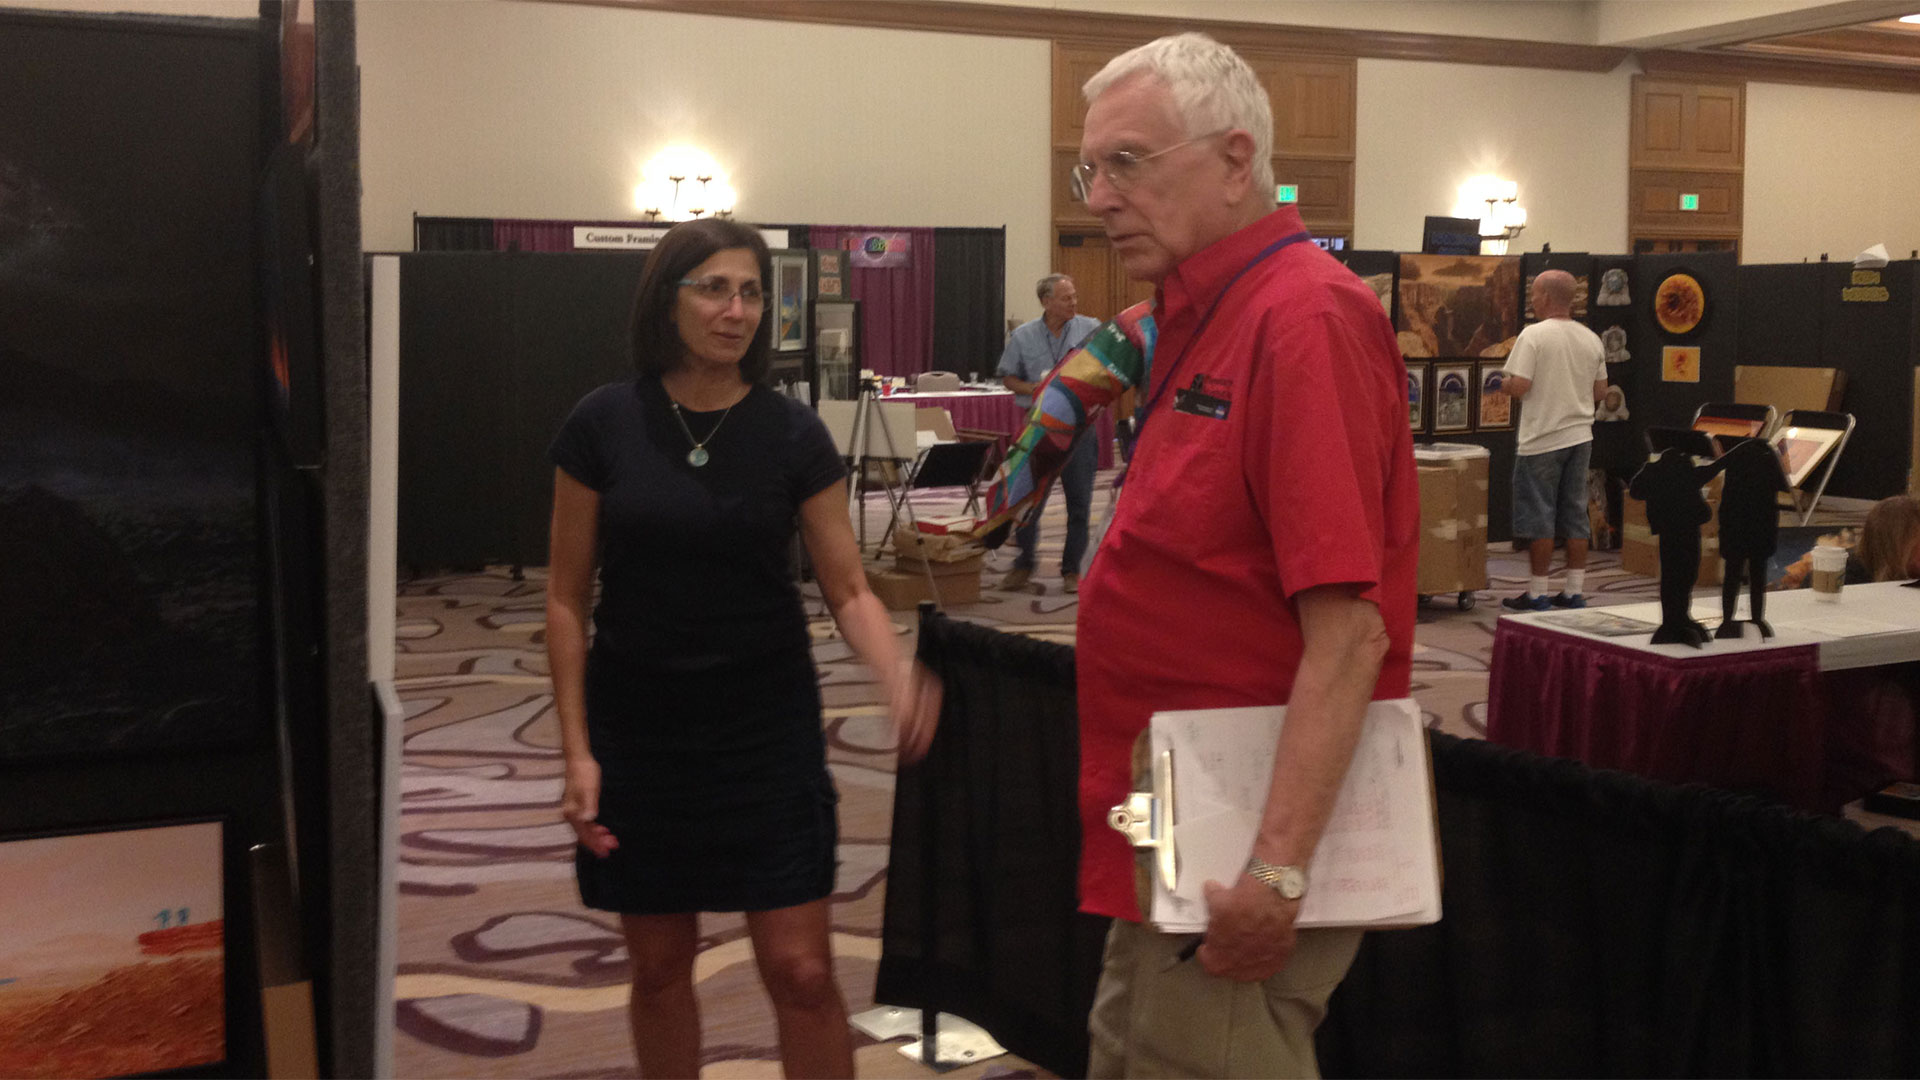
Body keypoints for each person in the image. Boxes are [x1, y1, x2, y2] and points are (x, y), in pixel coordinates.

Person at [1068, 33, 1419, 1078]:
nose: (1099, 196)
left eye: (1127, 162)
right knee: (1132, 1052)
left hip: (1245, 823)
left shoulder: (1300, 317)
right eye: (1091, 168)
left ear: (1233, 159)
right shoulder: (1204, 313)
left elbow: (1349, 634)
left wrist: (1276, 871)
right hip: (1180, 807)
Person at [544, 218, 940, 1079]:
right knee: (657, 968)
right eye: (715, 289)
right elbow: (567, 600)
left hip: (765, 732)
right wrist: (576, 749)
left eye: (753, 293)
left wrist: (896, 673)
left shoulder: (791, 433)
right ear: (668, 299)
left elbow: (847, 588)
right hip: (638, 731)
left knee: (801, 972)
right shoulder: (602, 424)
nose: (737, 311)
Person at [1499, 269, 1607, 611]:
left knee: (1539, 517)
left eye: (1534, 294)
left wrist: (1502, 382)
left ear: (1545, 298)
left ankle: (1536, 593)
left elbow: (1520, 386)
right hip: (1581, 437)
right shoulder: (1591, 338)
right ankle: (1574, 591)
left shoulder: (1533, 336)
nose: (1531, 299)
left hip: (1541, 440)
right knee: (1576, 515)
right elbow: (1601, 391)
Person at [996, 273, 1101, 592]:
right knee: (1029, 500)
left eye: (1074, 297)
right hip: (1038, 429)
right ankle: (1024, 563)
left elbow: (1105, 369)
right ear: (1046, 302)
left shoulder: (1091, 328)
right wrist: (1035, 388)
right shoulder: (1023, 336)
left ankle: (1072, 570)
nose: (1073, 303)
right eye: (1066, 298)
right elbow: (1008, 377)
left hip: (1080, 430)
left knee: (1080, 502)